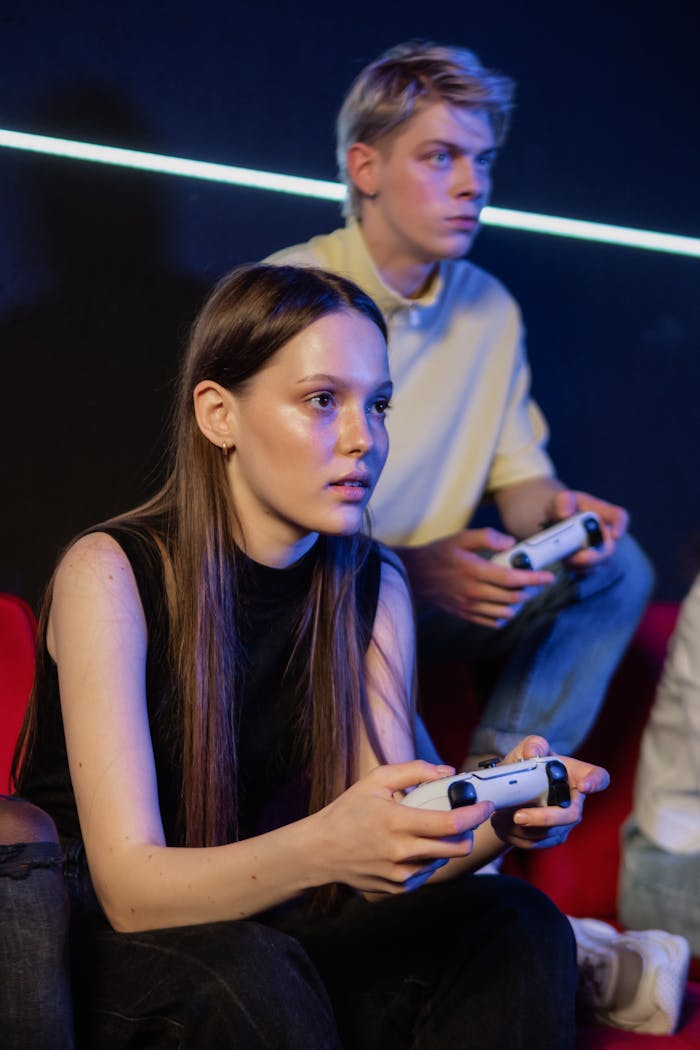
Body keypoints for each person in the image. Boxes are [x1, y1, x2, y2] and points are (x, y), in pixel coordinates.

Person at [10, 262, 609, 1049]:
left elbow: (397, 849)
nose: (366, 438)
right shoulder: (111, 571)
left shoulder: (370, 580)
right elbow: (128, 893)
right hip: (116, 955)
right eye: (323, 400)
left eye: (379, 404)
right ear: (219, 415)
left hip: (269, 938)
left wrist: (507, 823)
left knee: (515, 920)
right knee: (250, 970)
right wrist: (328, 843)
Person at [266, 40, 654, 763]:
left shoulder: (490, 307)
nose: (473, 184)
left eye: (483, 161)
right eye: (442, 156)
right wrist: (402, 569)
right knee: (365, 605)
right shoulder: (288, 293)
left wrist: (562, 516)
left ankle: (505, 780)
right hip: (311, 606)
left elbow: (521, 482)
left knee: (619, 564)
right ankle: (448, 821)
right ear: (365, 167)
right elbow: (251, 541)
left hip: (427, 601)